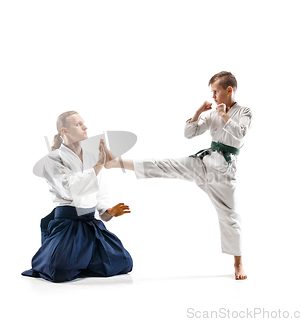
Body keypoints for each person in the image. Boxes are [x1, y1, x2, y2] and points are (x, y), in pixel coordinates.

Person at [105, 71, 252, 280]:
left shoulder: (245, 112)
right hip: (203, 163)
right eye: (212, 92)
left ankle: (238, 263)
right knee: (164, 165)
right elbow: (189, 133)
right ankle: (114, 163)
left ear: (229, 90)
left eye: (216, 92)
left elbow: (240, 134)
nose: (213, 96)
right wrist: (199, 112)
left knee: (229, 216)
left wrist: (224, 115)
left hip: (224, 173)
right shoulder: (212, 112)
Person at [21, 111, 133, 283]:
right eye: (78, 124)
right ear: (64, 131)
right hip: (67, 223)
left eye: (84, 123)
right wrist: (98, 166)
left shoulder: (91, 157)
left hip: (90, 223)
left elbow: (100, 192)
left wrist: (109, 210)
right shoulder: (53, 159)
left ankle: (82, 262)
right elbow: (70, 189)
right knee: (59, 271)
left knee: (123, 263)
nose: (85, 126)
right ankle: (70, 259)